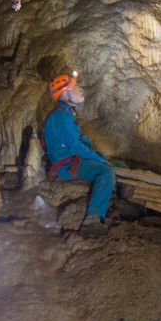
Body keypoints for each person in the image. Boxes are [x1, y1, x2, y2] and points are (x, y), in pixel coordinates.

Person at [40, 71, 116, 238]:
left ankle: (106, 205)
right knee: (106, 171)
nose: (80, 89)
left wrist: (100, 156)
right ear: (65, 94)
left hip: (73, 158)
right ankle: (92, 220)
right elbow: (75, 147)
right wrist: (100, 160)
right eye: (75, 87)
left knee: (116, 165)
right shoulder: (59, 116)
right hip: (67, 164)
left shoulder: (67, 114)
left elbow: (82, 142)